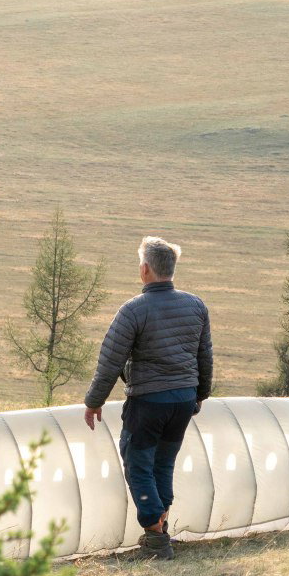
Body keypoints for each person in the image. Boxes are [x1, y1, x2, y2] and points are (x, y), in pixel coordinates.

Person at [82, 236, 212, 559]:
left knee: (138, 463)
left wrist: (94, 400)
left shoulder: (133, 311)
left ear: (144, 270)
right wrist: (199, 396)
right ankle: (161, 528)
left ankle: (156, 539)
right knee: (163, 464)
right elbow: (204, 357)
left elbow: (110, 360)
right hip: (182, 401)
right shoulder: (196, 306)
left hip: (149, 402)